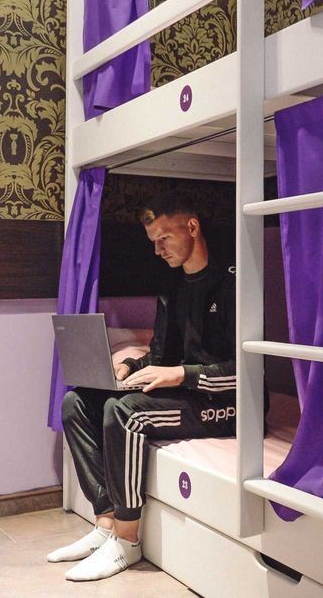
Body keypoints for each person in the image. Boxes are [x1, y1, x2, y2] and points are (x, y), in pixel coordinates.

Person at [48, 190, 238, 582]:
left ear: (192, 227)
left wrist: (180, 375)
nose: (157, 250)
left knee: (125, 413)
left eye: (164, 238)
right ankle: (105, 522)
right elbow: (160, 354)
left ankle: (127, 539)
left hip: (224, 402)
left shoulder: (232, 283)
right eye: (153, 241)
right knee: (76, 403)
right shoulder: (172, 286)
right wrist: (130, 366)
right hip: (184, 392)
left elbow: (247, 372)